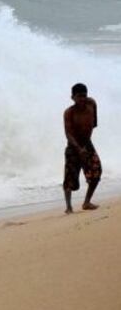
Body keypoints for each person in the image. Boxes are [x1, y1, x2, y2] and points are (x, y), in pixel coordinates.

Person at [63, 83, 101, 214]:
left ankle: (86, 202)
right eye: (79, 96)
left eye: (84, 96)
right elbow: (68, 133)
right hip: (73, 146)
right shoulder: (69, 112)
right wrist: (79, 149)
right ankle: (68, 207)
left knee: (96, 172)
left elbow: (94, 123)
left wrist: (85, 146)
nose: (82, 99)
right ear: (72, 97)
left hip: (87, 144)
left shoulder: (92, 104)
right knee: (69, 178)